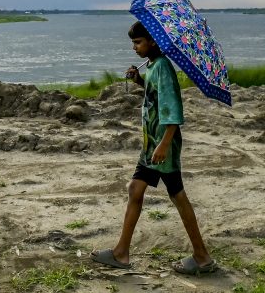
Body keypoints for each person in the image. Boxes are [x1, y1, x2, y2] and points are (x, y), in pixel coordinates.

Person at [91, 21, 216, 275]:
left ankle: (202, 257)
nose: (134, 47)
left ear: (153, 41)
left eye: (138, 42)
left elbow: (173, 110)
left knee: (177, 195)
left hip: (161, 147)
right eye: (133, 43)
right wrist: (139, 80)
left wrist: (164, 145)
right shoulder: (154, 66)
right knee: (136, 189)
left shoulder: (163, 68)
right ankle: (121, 253)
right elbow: (154, 93)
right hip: (153, 145)